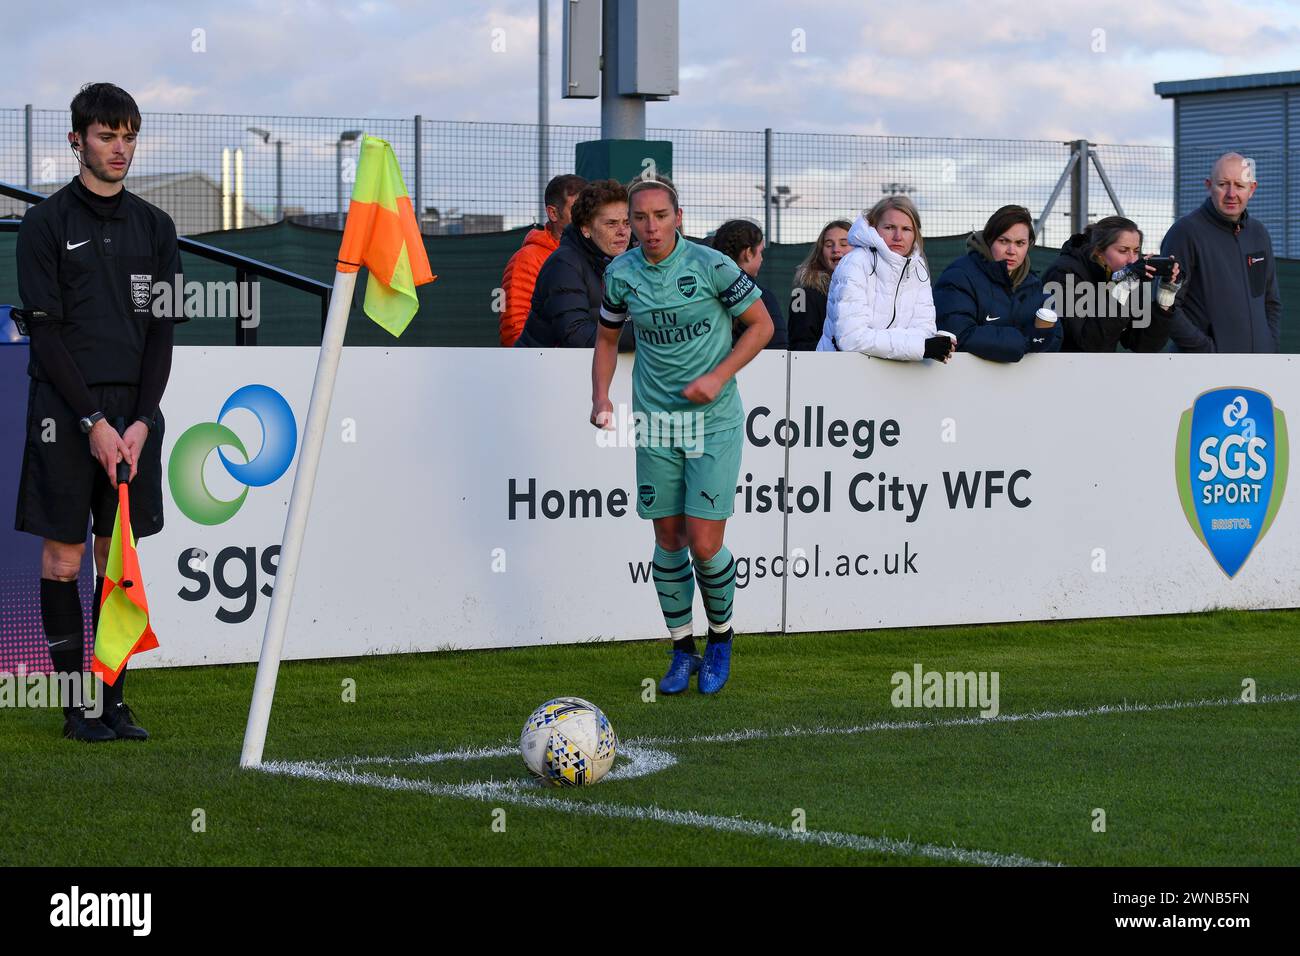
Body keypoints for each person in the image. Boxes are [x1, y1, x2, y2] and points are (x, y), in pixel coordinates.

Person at [14, 83, 185, 742]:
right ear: (77, 140)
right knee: (63, 561)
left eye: (129, 136)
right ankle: (75, 706)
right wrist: (94, 423)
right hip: (66, 412)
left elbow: (164, 333)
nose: (120, 148)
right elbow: (47, 335)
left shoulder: (157, 228)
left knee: (119, 562)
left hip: (135, 418)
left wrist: (140, 422)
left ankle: (114, 699)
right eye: (108, 135)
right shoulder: (46, 224)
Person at [591, 175, 773, 696]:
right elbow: (606, 339)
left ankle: (721, 639)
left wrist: (718, 376)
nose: (649, 227)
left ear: (679, 217)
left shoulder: (711, 265)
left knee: (704, 540)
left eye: (659, 216)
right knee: (667, 540)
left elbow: (760, 325)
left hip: (712, 421)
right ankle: (681, 649)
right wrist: (601, 396)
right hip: (655, 421)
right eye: (638, 218)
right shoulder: (620, 273)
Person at [1160, 153, 1281, 353]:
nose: (1231, 193)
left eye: (1240, 186)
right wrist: (1207, 350)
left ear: (1252, 189)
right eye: (1223, 184)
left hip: (1258, 369)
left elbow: (1270, 301)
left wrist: (1268, 345)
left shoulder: (1259, 233)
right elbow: (1166, 305)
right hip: (1204, 371)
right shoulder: (1185, 232)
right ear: (1209, 185)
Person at [815, 196, 951, 362]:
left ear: (915, 234)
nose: (898, 236)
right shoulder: (855, 262)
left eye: (906, 229)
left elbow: (925, 331)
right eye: (889, 227)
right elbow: (851, 339)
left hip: (894, 373)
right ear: (874, 228)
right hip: (840, 371)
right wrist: (916, 346)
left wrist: (917, 345)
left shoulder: (919, 268)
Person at [514, 179, 635, 349]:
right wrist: (644, 336)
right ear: (586, 228)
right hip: (542, 370)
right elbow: (575, 335)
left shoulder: (634, 261)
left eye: (627, 223)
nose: (622, 232)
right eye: (611, 224)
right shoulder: (563, 264)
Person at [934, 204, 1061, 362]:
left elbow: (1055, 337)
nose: (1011, 250)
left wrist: (1037, 337)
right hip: (965, 381)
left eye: (1020, 243)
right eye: (1003, 241)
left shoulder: (1033, 283)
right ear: (989, 240)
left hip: (1022, 383)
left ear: (1029, 245)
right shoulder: (959, 276)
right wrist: (1025, 340)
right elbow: (959, 335)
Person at [1043, 216, 1181, 352]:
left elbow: (1143, 345)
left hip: (1099, 370)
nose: (1132, 260)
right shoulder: (1065, 273)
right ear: (1098, 251)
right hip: (1056, 368)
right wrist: (1123, 288)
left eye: (1136, 251)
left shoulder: (1128, 276)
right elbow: (1088, 344)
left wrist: (1165, 297)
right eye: (1123, 251)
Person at [498, 173, 586, 347]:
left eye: (589, 210)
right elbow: (515, 332)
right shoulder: (527, 259)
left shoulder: (597, 255)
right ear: (553, 213)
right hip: (542, 367)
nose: (585, 217)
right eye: (576, 210)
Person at [710, 218, 789, 349]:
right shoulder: (762, 298)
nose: (762, 258)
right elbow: (778, 349)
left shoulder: (702, 292)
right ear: (747, 253)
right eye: (760, 252)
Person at [789, 219, 850, 351]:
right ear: (820, 252)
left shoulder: (872, 289)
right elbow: (799, 346)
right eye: (829, 245)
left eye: (844, 244)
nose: (836, 249)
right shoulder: (805, 293)